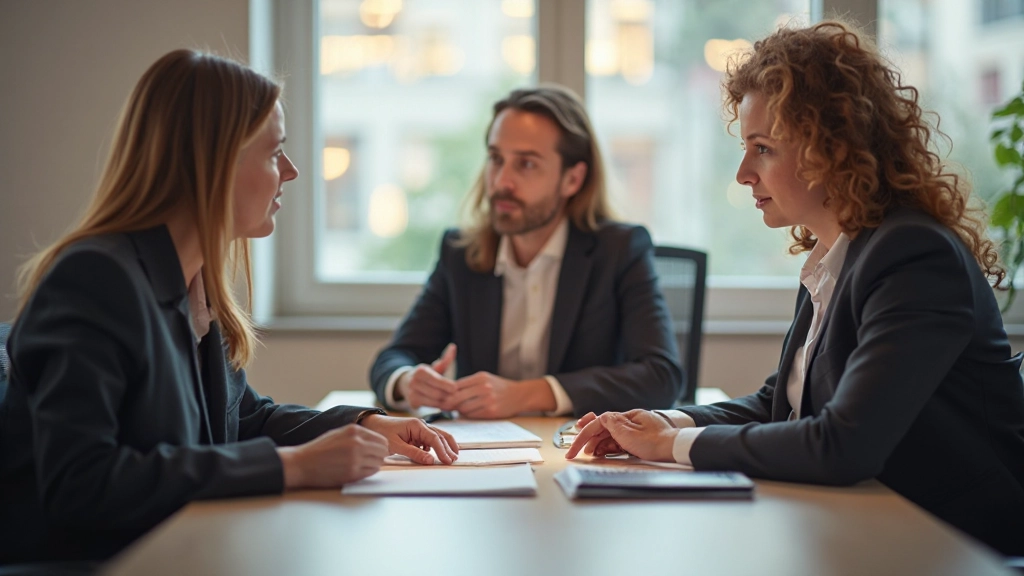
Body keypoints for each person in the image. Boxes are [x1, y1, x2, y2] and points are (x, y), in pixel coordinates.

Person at [566, 21, 1024, 556]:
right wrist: (666, 420)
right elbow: (780, 403)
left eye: (762, 149)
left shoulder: (915, 256)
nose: (742, 173)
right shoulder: (839, 254)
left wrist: (672, 445)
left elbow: (843, 444)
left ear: (832, 147)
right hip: (868, 521)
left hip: (954, 543)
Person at [0, 49, 458, 565]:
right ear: (211, 163)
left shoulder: (191, 280)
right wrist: (293, 468)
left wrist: (365, 424)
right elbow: (82, 483)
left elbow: (243, 418)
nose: (291, 171)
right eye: (273, 152)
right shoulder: (94, 279)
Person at [369, 85, 683, 419]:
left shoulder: (619, 250)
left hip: (579, 451)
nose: (502, 181)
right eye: (496, 159)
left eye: (527, 164)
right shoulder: (461, 253)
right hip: (483, 453)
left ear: (572, 179)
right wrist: (408, 382)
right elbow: (394, 358)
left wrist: (527, 394)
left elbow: (661, 376)